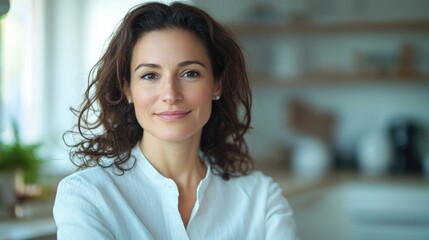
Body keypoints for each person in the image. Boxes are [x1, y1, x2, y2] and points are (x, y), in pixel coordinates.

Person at [53, 2, 297, 239]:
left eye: (190, 73)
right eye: (150, 75)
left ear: (217, 84)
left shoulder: (262, 199)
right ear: (127, 88)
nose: (170, 94)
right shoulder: (86, 195)